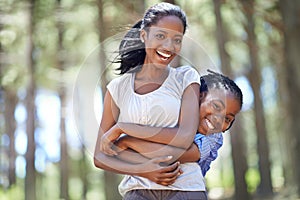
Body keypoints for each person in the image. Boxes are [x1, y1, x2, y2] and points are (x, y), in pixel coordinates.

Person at [94, 2, 207, 200]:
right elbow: (100, 156)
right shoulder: (118, 88)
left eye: (177, 39)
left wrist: (124, 130)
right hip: (137, 191)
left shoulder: (186, 77)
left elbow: (184, 137)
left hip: (186, 188)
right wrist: (143, 170)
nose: (169, 47)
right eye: (161, 36)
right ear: (144, 35)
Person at [112, 70, 243, 179]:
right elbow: (119, 155)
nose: (219, 119)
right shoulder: (173, 113)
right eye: (216, 106)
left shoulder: (214, 137)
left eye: (227, 119)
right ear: (198, 97)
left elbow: (171, 156)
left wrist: (128, 141)